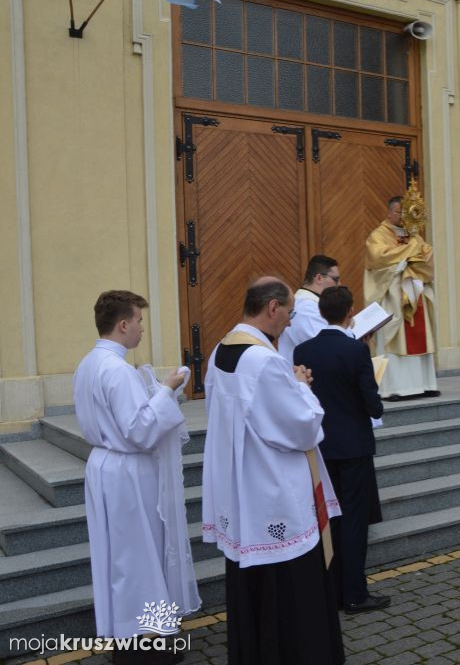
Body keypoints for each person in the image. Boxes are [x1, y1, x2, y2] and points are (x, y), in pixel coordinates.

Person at [202, 277, 345, 665]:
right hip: (275, 490)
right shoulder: (264, 360)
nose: (289, 321)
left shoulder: (221, 349)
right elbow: (301, 428)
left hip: (243, 484)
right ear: (272, 308)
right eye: (289, 313)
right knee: (289, 588)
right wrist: (301, 386)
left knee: (254, 588)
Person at [73, 290, 199, 665]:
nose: (142, 329)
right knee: (139, 556)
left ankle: (128, 636)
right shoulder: (118, 370)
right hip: (127, 470)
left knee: (119, 556)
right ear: (123, 324)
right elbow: (140, 429)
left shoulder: (89, 363)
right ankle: (146, 645)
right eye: (139, 321)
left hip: (103, 465)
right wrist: (167, 389)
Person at [294, 286, 391, 615]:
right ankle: (354, 593)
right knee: (353, 521)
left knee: (329, 520)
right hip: (353, 448)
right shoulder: (355, 351)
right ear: (350, 312)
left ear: (321, 312)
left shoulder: (303, 350)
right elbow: (373, 406)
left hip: (321, 446)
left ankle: (331, 589)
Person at [364, 195, 439, 400]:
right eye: (399, 213)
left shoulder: (413, 235)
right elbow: (377, 259)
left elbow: (427, 257)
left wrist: (412, 255)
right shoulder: (378, 235)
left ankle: (425, 384)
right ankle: (394, 388)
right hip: (393, 296)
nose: (403, 217)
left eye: (406, 213)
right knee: (394, 340)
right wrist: (407, 256)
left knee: (420, 337)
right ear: (389, 213)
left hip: (415, 294)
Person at [278, 255, 341, 363]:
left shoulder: (311, 303)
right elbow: (328, 347)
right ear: (319, 278)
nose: (339, 284)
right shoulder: (305, 308)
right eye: (336, 279)